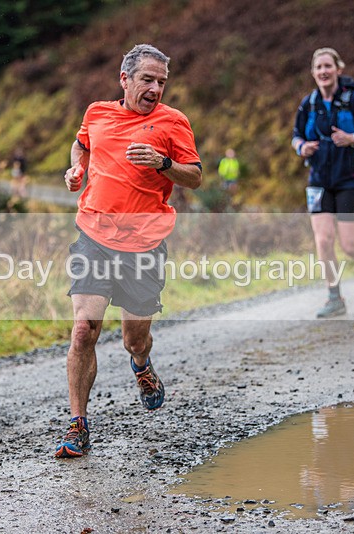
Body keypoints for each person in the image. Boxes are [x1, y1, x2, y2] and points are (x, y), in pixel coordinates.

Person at [57, 44, 202, 458]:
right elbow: (82, 144)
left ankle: (141, 365)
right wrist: (77, 169)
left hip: (145, 244)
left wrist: (162, 163)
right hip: (94, 235)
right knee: (84, 330)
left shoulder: (173, 122)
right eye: (147, 80)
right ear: (125, 79)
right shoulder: (97, 112)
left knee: (134, 339)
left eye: (161, 82)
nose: (155, 89)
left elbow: (193, 177)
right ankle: (78, 424)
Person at [291, 47, 354, 319]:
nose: (323, 71)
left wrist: (353, 139)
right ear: (313, 73)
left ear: (338, 69)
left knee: (349, 245)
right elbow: (295, 137)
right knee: (323, 241)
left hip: (349, 180)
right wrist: (301, 147)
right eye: (318, 67)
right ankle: (334, 297)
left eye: (328, 66)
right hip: (318, 181)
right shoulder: (308, 104)